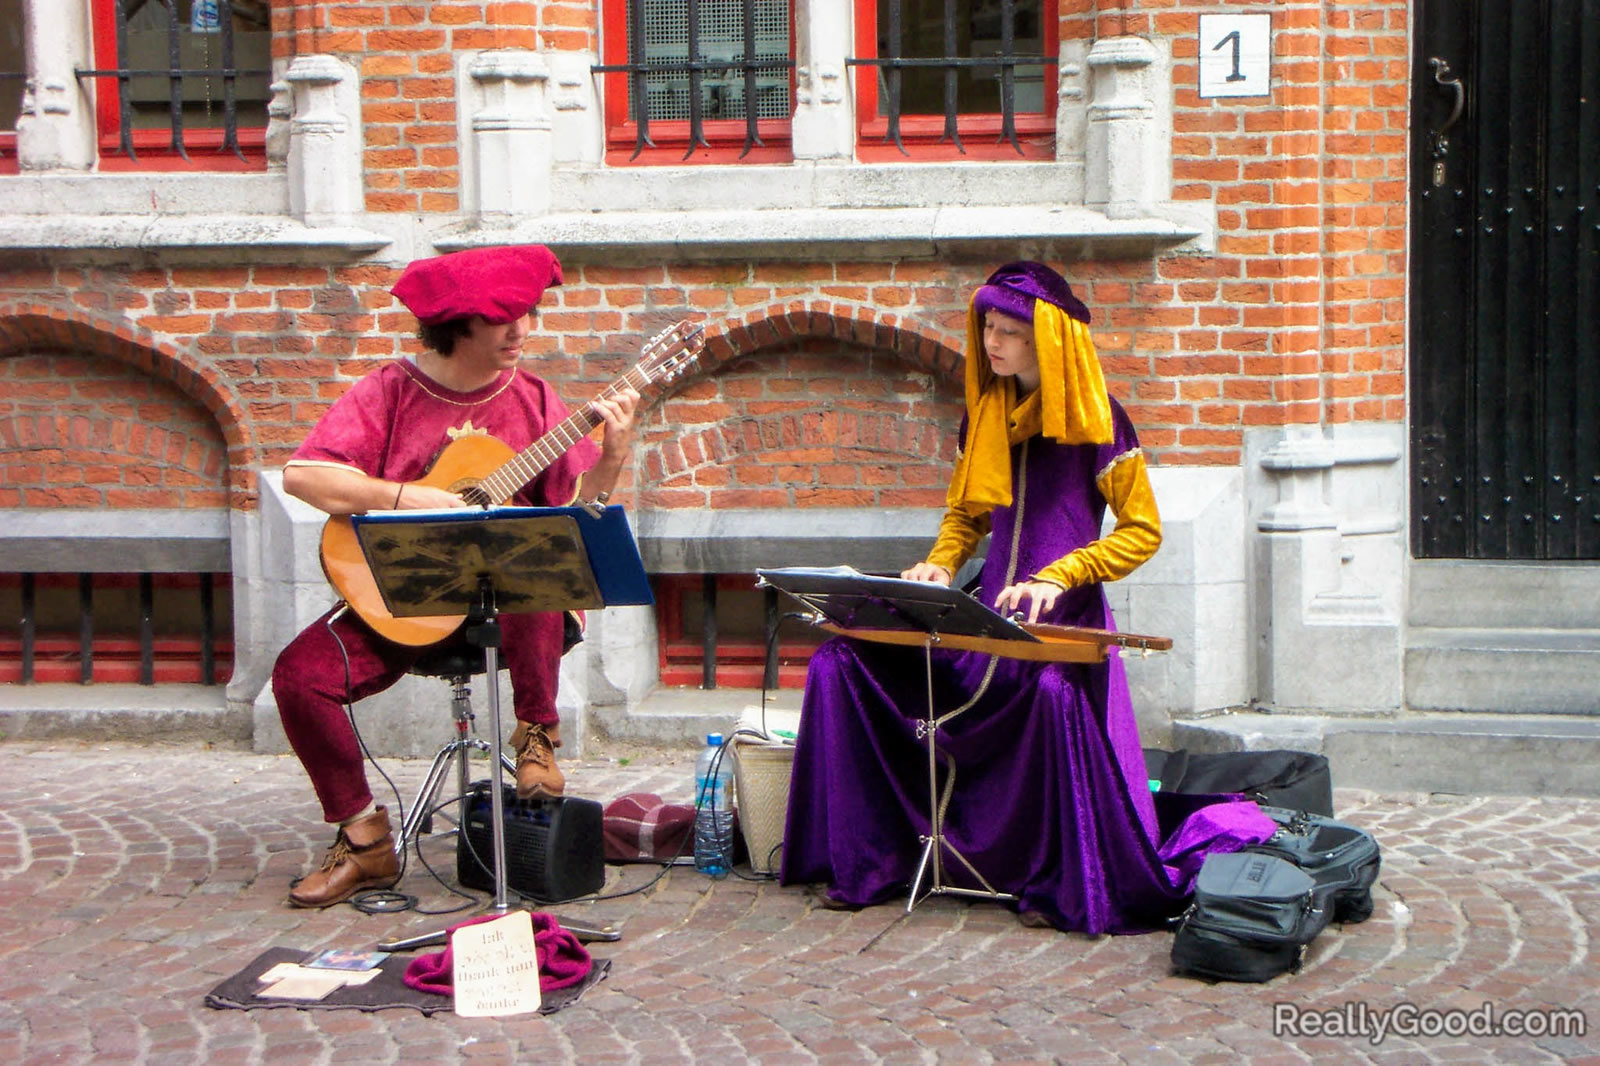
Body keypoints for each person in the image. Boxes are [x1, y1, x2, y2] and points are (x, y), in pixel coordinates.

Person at [780, 261, 1272, 933]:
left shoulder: (1101, 422)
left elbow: (1142, 532)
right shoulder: (983, 417)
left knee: (1049, 697)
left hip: (1057, 632)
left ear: (1048, 338)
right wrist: (938, 565)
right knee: (840, 664)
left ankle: (1054, 879)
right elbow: (965, 517)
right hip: (986, 625)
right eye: (988, 327)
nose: (992, 344)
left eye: (1009, 331)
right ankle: (873, 859)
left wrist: (1061, 575)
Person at [270, 244, 640, 909]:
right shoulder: (388, 392)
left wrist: (611, 458)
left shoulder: (534, 400)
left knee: (528, 546)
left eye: (526, 314)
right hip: (407, 605)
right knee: (300, 679)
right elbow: (302, 476)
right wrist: (404, 497)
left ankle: (537, 737)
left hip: (516, 617)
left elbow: (578, 517)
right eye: (502, 319)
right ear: (455, 326)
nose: (520, 332)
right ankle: (363, 840)